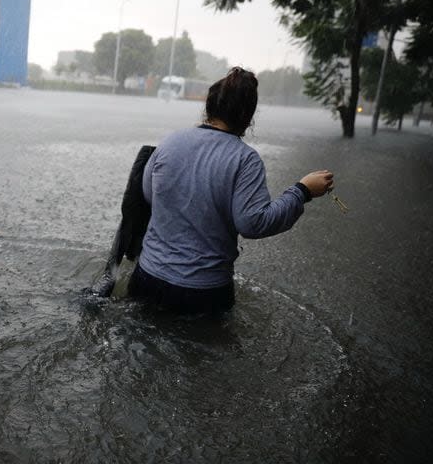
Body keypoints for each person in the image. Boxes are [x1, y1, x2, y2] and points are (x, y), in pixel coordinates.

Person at [128, 67, 333, 314]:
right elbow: (253, 223)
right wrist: (302, 191)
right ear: (248, 116)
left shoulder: (169, 142)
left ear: (209, 107)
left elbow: (150, 196)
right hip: (203, 293)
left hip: (147, 278)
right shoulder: (245, 160)